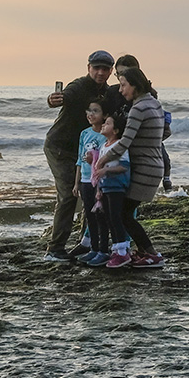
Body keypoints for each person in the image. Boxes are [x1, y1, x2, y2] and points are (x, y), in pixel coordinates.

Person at [43, 50, 114, 262]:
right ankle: (55, 249)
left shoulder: (108, 93)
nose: (100, 72)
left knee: (91, 193)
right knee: (68, 194)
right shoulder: (79, 86)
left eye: (105, 69)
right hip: (61, 147)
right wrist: (53, 99)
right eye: (96, 68)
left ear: (110, 71)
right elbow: (64, 97)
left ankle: (88, 244)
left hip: (87, 151)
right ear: (88, 68)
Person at [94, 66, 167, 268]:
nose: (120, 90)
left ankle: (152, 254)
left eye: (124, 85)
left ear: (135, 85)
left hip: (145, 168)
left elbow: (125, 142)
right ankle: (144, 252)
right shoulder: (154, 103)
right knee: (125, 212)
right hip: (153, 165)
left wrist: (102, 160)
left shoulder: (139, 108)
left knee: (123, 213)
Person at [106, 54, 174, 192]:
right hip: (119, 140)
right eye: (118, 74)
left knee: (162, 155)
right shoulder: (113, 92)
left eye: (125, 73)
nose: (121, 78)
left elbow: (162, 128)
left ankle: (167, 180)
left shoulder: (148, 97)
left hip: (139, 142)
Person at [82, 113, 133, 269]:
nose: (103, 125)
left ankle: (122, 250)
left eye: (108, 123)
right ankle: (115, 250)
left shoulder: (118, 146)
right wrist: (98, 190)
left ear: (116, 130)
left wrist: (106, 171)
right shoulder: (104, 146)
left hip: (117, 187)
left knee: (116, 217)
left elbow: (124, 166)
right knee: (108, 218)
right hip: (105, 188)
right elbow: (97, 171)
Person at [68, 97, 109, 260]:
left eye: (95, 111)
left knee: (101, 216)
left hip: (99, 181)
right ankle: (93, 248)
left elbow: (109, 156)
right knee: (90, 216)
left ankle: (103, 250)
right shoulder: (84, 133)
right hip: (85, 180)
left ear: (105, 115)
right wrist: (76, 183)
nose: (91, 114)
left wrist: (96, 160)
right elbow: (79, 159)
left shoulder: (105, 134)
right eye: (89, 111)